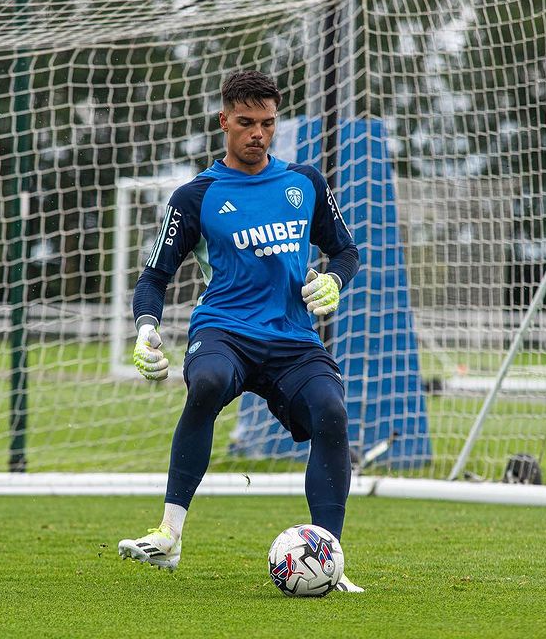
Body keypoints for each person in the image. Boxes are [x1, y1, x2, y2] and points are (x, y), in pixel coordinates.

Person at [118, 70, 364, 592]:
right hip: (225, 331)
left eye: (268, 123)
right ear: (224, 121)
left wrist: (335, 282)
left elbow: (346, 250)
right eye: (247, 123)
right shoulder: (195, 197)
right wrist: (145, 330)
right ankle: (169, 534)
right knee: (205, 384)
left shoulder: (306, 183)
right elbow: (153, 277)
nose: (258, 133)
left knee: (333, 412)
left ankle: (328, 557)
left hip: (294, 340)